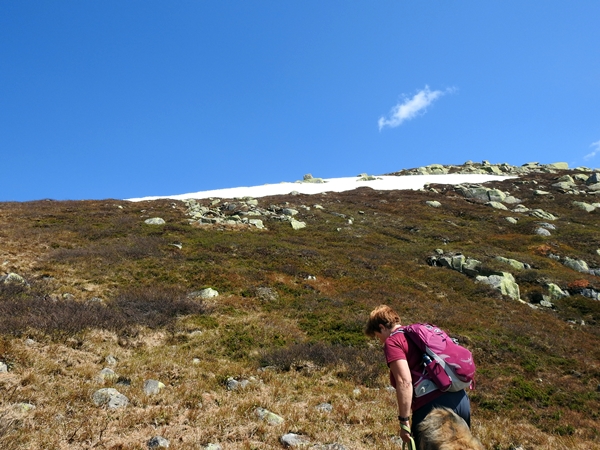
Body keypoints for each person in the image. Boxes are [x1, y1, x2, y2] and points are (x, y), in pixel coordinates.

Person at [365, 305, 472, 448]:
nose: (381, 342)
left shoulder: (393, 342)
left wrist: (404, 422)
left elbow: (404, 382)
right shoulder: (419, 335)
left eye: (378, 337)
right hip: (461, 400)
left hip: (433, 409)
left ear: (382, 327)